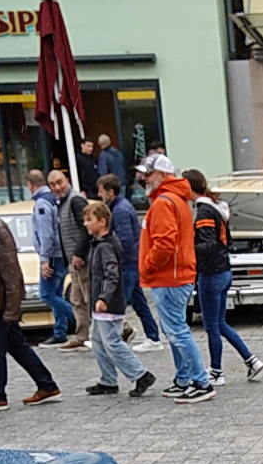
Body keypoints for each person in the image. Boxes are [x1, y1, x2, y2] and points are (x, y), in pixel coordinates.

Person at [137, 153, 213, 403]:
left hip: (168, 277)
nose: (145, 178)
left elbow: (164, 244)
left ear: (163, 175)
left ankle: (200, 381)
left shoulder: (163, 202)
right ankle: (185, 379)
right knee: (176, 330)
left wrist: (147, 268)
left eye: (149, 174)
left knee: (177, 331)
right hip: (176, 275)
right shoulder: (177, 199)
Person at [185, 168, 263, 386]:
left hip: (211, 273)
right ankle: (251, 359)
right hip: (224, 270)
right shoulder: (216, 207)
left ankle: (217, 371)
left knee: (211, 327)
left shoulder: (203, 212)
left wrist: (187, 247)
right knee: (220, 323)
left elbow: (208, 244)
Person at [81, 200, 154, 400]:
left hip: (109, 304)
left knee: (112, 341)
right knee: (97, 340)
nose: (86, 224)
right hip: (102, 303)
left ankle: (140, 374)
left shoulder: (106, 246)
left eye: (89, 220)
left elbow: (111, 275)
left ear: (102, 222)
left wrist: (104, 297)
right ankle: (108, 380)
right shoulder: (98, 244)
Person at [0, 215, 61, 409]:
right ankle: (46, 384)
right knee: (17, 346)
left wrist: (11, 310)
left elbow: (11, 272)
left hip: (1, 304)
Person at [97, 173, 160, 348]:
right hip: (131, 261)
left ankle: (112, 338)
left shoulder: (120, 210)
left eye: (101, 192)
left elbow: (125, 240)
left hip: (127, 262)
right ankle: (153, 336)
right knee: (139, 302)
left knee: (119, 301)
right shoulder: (120, 207)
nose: (99, 195)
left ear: (111, 192)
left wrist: (116, 259)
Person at [29, 168, 75, 345]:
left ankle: (78, 318)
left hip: (52, 256)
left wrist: (44, 259)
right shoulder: (53, 199)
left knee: (46, 294)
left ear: (30, 185)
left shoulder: (42, 203)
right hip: (60, 254)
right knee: (57, 294)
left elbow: (46, 233)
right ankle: (60, 331)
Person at [48, 169, 90, 349]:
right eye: (53, 185)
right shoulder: (62, 202)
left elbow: (85, 228)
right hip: (74, 261)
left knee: (90, 297)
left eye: (60, 182)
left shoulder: (75, 200)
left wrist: (78, 253)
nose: (57, 187)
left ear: (67, 180)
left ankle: (122, 328)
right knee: (77, 299)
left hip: (82, 259)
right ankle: (82, 336)